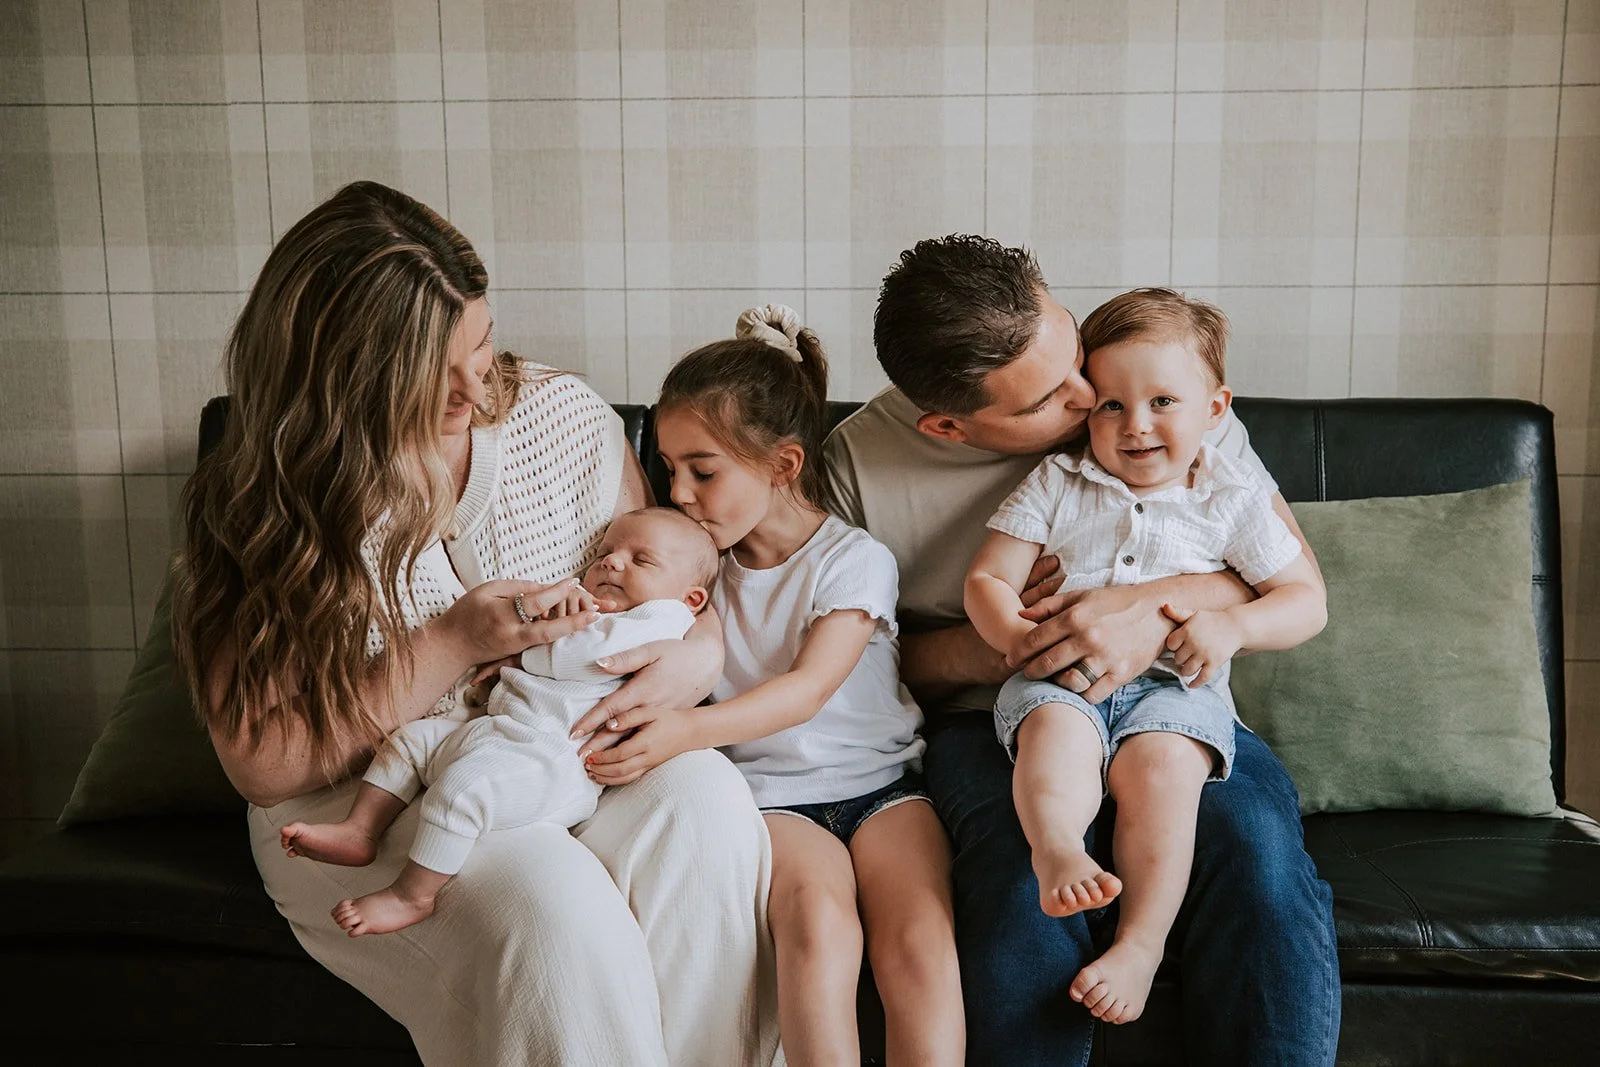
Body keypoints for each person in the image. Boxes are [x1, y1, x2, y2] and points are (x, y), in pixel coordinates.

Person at [170, 181, 779, 1067]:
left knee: (710, 804)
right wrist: (453, 642)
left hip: (560, 757)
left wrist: (681, 673)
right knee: (554, 912)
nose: (473, 388)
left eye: (482, 348)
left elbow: (684, 591)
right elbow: (268, 767)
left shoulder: (561, 417)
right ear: (341, 374)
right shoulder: (264, 505)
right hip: (368, 801)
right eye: (431, 372)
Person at [822, 236, 1340, 1066]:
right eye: (1048, 402)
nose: (1090, 395)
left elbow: (1290, 581)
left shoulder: (1151, 386)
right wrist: (1016, 645)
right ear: (948, 426)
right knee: (1016, 873)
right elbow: (855, 669)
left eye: (1070, 352)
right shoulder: (853, 467)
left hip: (1170, 694)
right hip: (992, 717)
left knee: (1253, 847)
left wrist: (1140, 612)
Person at [575, 305, 964, 1066]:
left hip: (883, 785)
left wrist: (685, 731)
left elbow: (810, 689)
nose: (678, 491)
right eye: (669, 468)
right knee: (817, 923)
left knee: (918, 936)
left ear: (783, 465)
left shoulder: (853, 561)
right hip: (774, 798)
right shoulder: (691, 574)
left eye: (703, 470)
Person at [964, 288, 1328, 1025]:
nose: (1137, 426)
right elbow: (987, 577)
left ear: (1216, 408)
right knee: (1056, 738)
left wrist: (1232, 629)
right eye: (1110, 406)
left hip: (1178, 689)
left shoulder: (1232, 497)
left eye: (1164, 400)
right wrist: (1012, 633)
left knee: (1164, 770)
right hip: (1062, 679)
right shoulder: (1059, 482)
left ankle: (1141, 941)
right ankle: (1058, 848)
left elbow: (1303, 599)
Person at [277, 507, 720, 937]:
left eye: (640, 560)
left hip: (551, 762)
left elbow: (590, 659)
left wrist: (519, 649)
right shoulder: (598, 612)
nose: (611, 562)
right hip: (496, 733)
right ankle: (360, 829)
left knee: (461, 791)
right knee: (411, 741)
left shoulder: (663, 619)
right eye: (605, 552)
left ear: (691, 598)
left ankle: (413, 896)